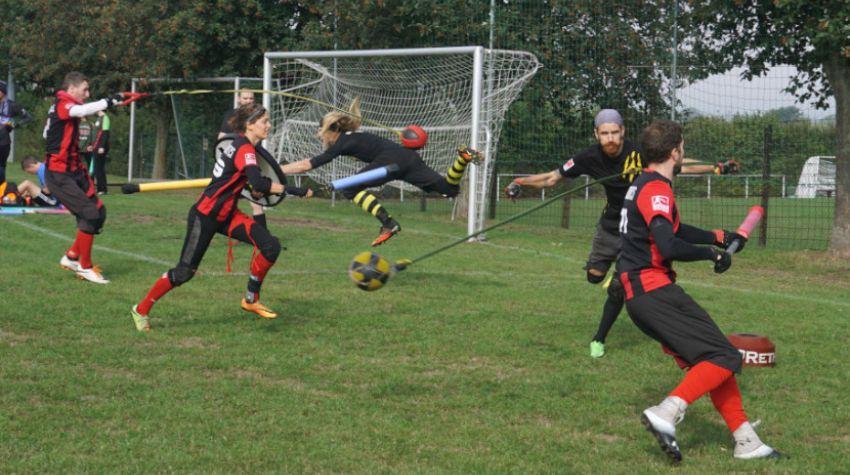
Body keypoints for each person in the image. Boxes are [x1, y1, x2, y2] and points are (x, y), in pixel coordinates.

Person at [504, 109, 739, 358]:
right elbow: (551, 178)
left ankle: (599, 337)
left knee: (618, 287)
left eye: (615, 132)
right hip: (610, 225)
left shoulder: (640, 153)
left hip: (639, 228)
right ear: (596, 134)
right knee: (595, 276)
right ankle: (613, 275)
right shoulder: (587, 158)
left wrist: (716, 168)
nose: (610, 138)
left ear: (623, 131)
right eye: (604, 133)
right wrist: (520, 182)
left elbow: (680, 163)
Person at [618, 119, 780, 462]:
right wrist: (711, 254)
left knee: (712, 358)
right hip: (653, 290)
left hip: (642, 296)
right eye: (683, 147)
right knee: (725, 356)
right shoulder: (657, 189)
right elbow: (668, 244)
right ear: (677, 151)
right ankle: (667, 412)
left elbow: (672, 228)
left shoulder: (644, 183)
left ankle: (745, 440)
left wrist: (717, 237)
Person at [131, 103, 289, 332]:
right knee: (184, 273)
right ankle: (141, 309)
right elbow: (258, 183)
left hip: (227, 215)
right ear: (250, 125)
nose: (269, 125)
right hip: (204, 216)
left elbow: (251, 185)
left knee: (270, 246)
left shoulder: (243, 146)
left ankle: (250, 299)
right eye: (264, 121)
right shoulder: (244, 149)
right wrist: (292, 190)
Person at [282, 97, 481, 246]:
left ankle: (388, 223)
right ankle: (462, 158)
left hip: (390, 164)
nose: (319, 136)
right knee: (449, 189)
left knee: (349, 189)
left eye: (320, 131)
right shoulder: (355, 136)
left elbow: (307, 165)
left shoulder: (340, 143)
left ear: (330, 130)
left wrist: (278, 169)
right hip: (407, 158)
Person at [43, 71, 130, 284]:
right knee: (89, 214)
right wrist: (107, 101)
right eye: (85, 89)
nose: (87, 93)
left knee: (98, 211)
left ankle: (72, 256)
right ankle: (85, 267)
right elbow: (80, 109)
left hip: (74, 170)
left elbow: (48, 133)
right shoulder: (63, 103)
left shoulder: (64, 107)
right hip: (59, 174)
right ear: (72, 89)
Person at [218, 89, 269, 228]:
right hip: (232, 168)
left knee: (257, 202)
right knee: (223, 201)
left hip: (249, 164)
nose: (248, 101)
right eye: (245, 98)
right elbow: (221, 139)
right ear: (239, 99)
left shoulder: (257, 117)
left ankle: (262, 236)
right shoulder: (230, 116)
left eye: (251, 99)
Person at [0, 79, 33, 185]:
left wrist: (15, 124)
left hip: (3, 142)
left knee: (1, 167)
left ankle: (2, 190)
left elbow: (28, 118)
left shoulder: (12, 105)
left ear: (3, 92)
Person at [90, 110, 110, 194]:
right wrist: (92, 145)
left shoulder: (105, 118)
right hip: (95, 146)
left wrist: (102, 146)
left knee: (99, 168)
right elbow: (96, 134)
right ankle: (100, 189)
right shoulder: (98, 119)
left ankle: (102, 189)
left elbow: (105, 133)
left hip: (100, 147)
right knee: (96, 168)